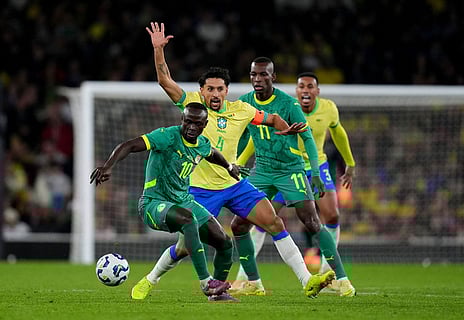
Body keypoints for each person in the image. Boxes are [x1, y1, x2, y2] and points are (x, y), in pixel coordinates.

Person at [130, 21, 335, 300]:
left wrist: (283, 126)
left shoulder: (241, 110)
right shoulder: (192, 106)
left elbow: (271, 118)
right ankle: (150, 279)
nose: (215, 94)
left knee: (274, 222)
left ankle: (306, 280)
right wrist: (158, 50)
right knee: (184, 247)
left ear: (227, 90)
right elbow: (164, 80)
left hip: (234, 183)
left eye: (220, 89)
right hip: (200, 190)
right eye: (210, 89)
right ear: (202, 91)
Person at [90, 102, 239, 301]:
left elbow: (212, 154)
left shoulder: (201, 143)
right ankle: (206, 282)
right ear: (182, 120)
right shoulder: (167, 136)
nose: (191, 127)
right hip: (153, 203)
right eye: (188, 122)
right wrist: (108, 166)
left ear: (204, 124)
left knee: (224, 242)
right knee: (188, 219)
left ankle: (217, 294)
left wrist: (229, 167)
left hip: (184, 201)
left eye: (197, 123)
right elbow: (130, 145)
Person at [234, 58, 356, 297]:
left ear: (273, 77)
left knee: (311, 221)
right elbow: (246, 136)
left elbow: (308, 139)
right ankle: (252, 282)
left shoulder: (289, 104)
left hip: (291, 170)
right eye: (253, 75)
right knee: (239, 224)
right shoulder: (244, 103)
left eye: (263, 75)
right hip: (262, 171)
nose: (258, 79)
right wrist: (236, 162)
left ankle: (341, 279)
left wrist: (317, 172)